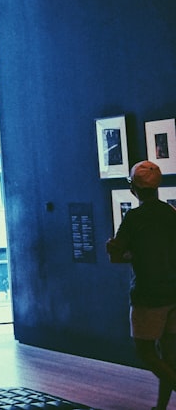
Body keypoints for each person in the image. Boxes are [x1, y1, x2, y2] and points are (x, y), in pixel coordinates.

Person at [106, 160, 176, 410]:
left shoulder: (134, 217)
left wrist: (119, 251)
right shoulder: (170, 213)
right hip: (173, 292)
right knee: (169, 356)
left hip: (148, 294)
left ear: (134, 189)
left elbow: (117, 254)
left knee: (146, 352)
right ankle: (160, 408)